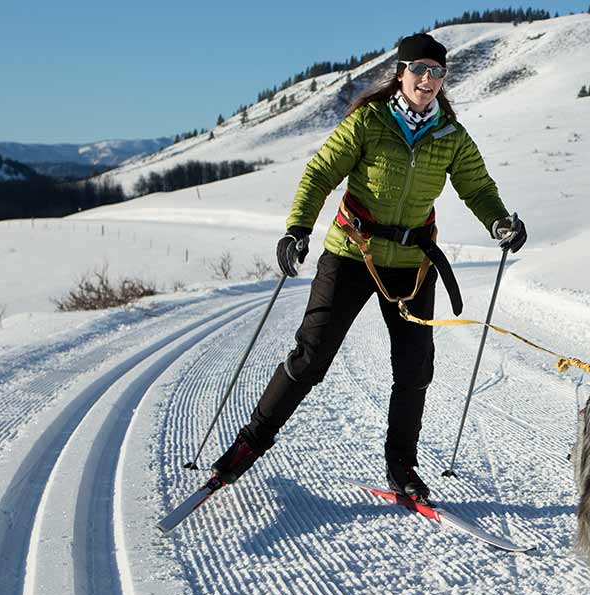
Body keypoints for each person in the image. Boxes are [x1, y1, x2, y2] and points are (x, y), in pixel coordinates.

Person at [210, 33, 528, 503]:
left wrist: (500, 221)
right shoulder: (369, 121)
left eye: (436, 71)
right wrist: (298, 228)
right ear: (400, 72)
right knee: (311, 356)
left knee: (415, 369)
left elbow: (477, 189)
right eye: (419, 69)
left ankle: (402, 466)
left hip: (412, 264)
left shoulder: (451, 136)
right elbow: (320, 173)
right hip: (351, 255)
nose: (427, 79)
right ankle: (248, 445)